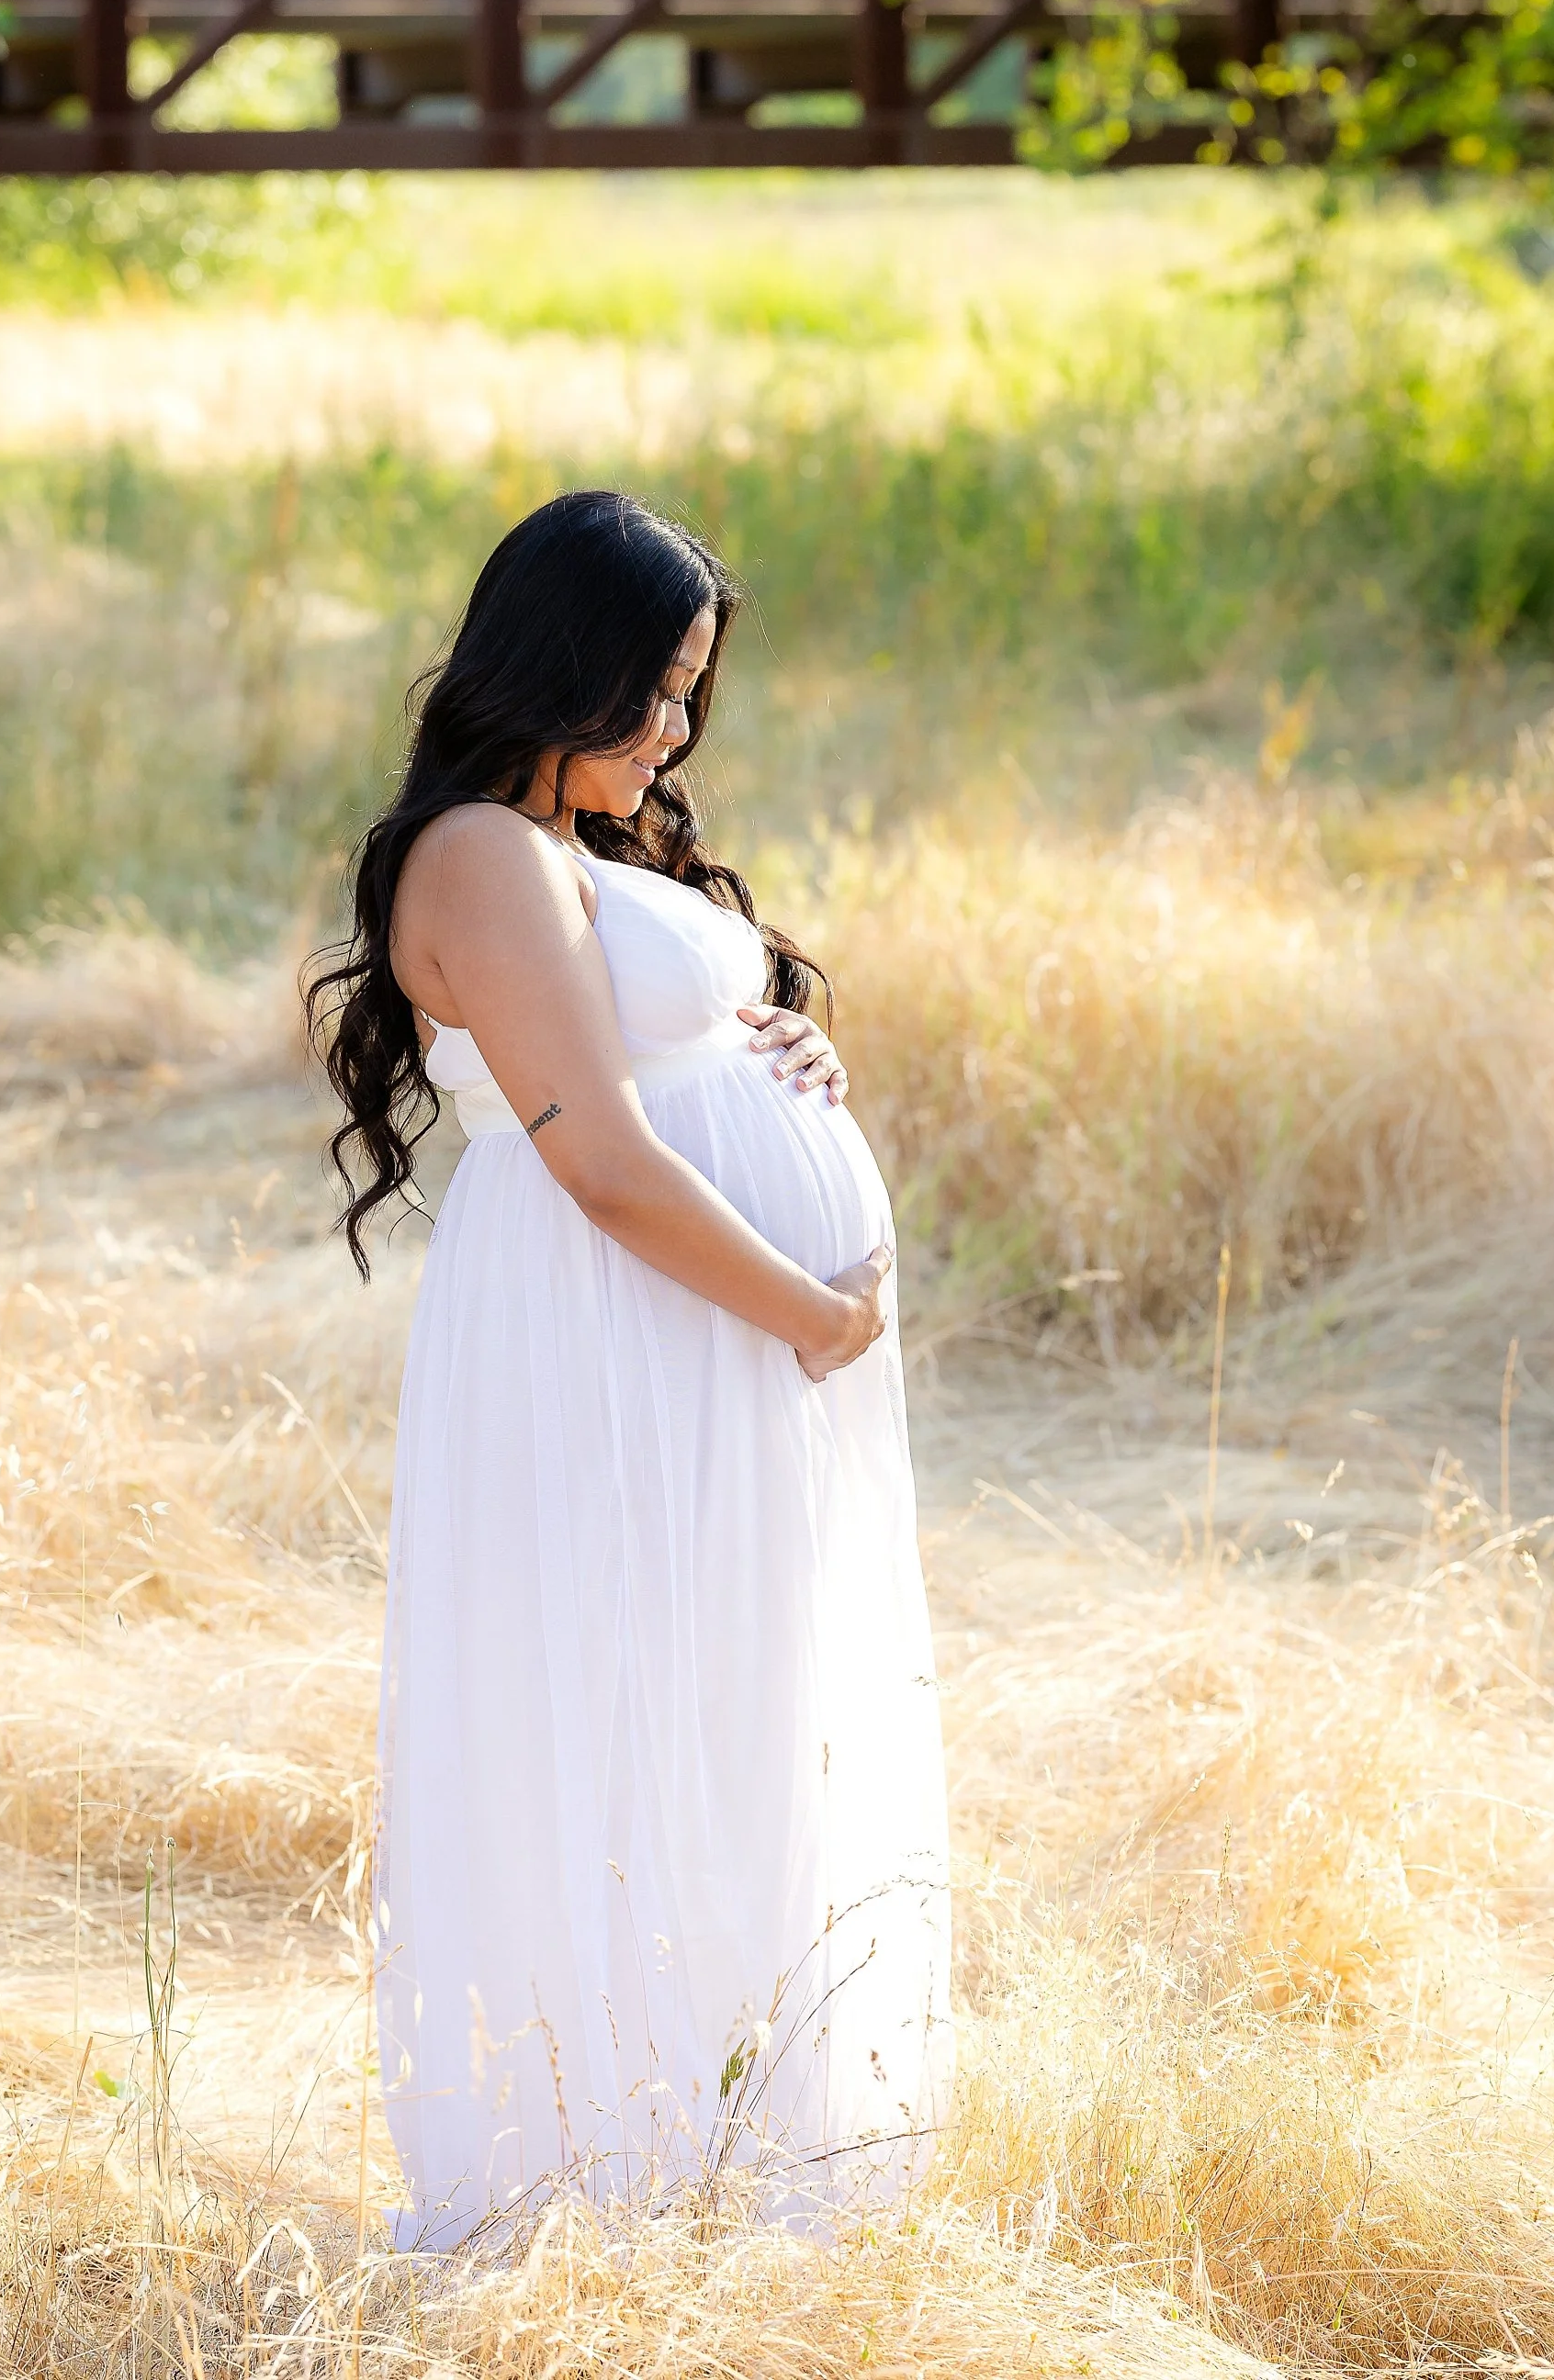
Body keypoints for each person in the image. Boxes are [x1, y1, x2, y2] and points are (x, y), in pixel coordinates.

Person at [308, 490, 951, 2251]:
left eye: (692, 697)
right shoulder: (479, 856)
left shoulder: (563, 845)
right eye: (656, 687)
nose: (674, 730)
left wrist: (771, 1042)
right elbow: (597, 1160)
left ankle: (733, 2137)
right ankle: (609, 2182)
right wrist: (814, 1314)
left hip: (687, 1334)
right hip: (630, 1331)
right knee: (631, 1702)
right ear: (564, 657)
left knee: (733, 1699)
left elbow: (637, 1064)